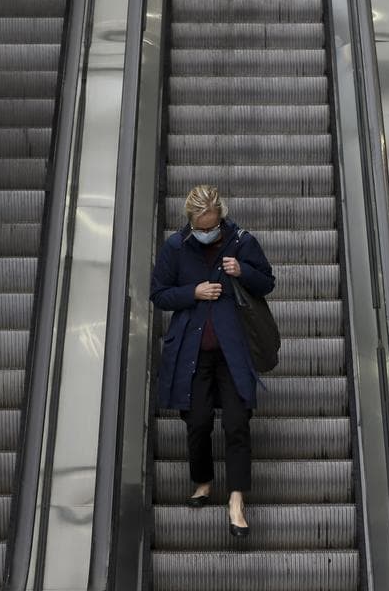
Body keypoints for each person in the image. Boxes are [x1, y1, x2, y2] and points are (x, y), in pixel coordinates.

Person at [149, 184, 275, 537]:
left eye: (213, 225)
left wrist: (242, 272)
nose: (208, 232)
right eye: (201, 227)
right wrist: (193, 292)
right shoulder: (176, 247)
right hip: (193, 353)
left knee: (237, 424)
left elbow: (267, 283)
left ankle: (236, 501)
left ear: (221, 216)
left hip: (233, 352)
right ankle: (203, 481)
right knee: (198, 421)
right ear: (190, 221)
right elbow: (158, 294)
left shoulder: (242, 242)